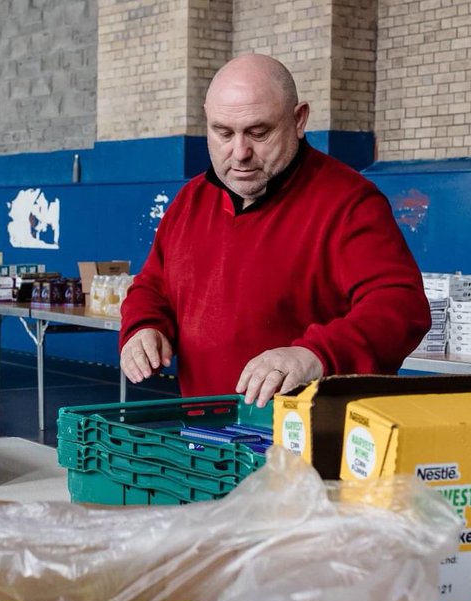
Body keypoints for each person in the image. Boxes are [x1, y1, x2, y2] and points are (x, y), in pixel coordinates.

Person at [119, 54, 431, 407]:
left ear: (298, 120)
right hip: (207, 436)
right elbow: (153, 286)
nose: (240, 153)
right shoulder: (190, 201)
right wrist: (144, 326)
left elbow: (400, 305)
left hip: (308, 445)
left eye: (259, 132)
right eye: (223, 133)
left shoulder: (348, 202)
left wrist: (316, 355)